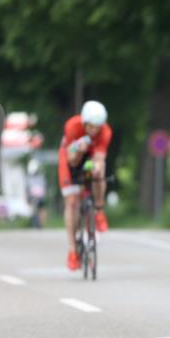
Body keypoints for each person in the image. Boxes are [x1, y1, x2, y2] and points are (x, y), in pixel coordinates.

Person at [58, 100, 112, 271]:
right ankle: (73, 250)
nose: (94, 131)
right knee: (72, 201)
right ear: (84, 123)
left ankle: (99, 209)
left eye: (98, 127)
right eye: (90, 126)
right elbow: (72, 161)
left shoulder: (106, 132)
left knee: (99, 173)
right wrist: (79, 150)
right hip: (71, 156)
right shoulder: (72, 127)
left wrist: (96, 169)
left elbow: (99, 158)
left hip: (91, 157)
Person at [27, 158, 48, 229]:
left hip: (36, 196)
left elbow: (28, 187)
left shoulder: (30, 177)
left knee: (39, 210)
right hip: (37, 196)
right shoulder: (41, 176)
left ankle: (40, 224)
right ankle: (38, 224)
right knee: (38, 210)